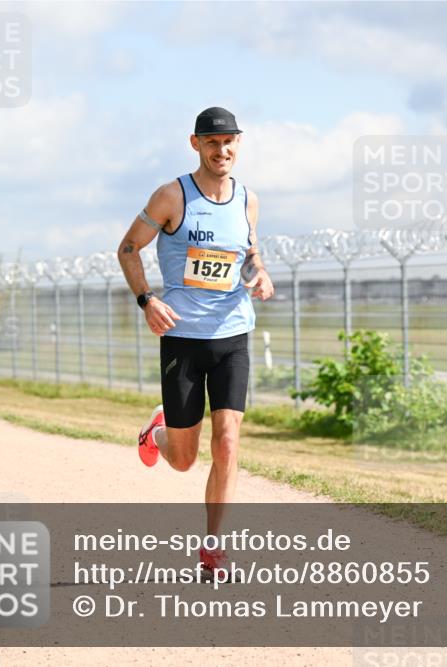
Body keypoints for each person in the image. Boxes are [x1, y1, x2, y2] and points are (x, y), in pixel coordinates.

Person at [116, 106, 274, 577]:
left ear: (238, 144)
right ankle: (157, 433)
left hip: (232, 334)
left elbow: (247, 254)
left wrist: (259, 274)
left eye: (229, 143)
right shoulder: (171, 196)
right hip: (182, 339)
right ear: (196, 144)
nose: (221, 151)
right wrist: (147, 300)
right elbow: (128, 248)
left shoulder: (248, 199)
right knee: (184, 460)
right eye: (211, 143)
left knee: (227, 443)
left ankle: (213, 547)